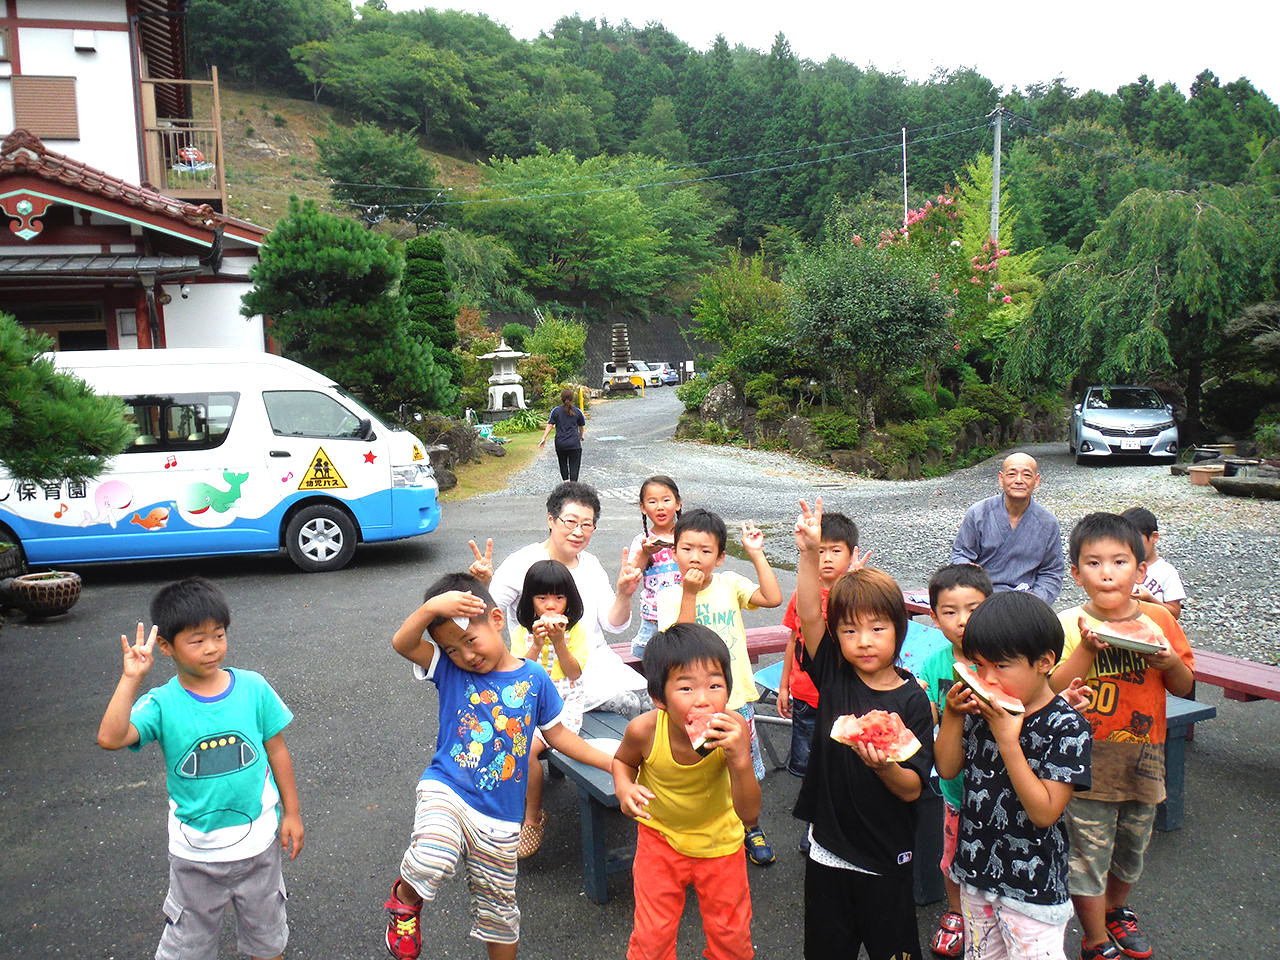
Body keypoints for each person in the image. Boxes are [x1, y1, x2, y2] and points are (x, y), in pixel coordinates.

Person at [382, 572, 613, 960]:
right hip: (448, 790)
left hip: (503, 817)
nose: (465, 656)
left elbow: (557, 735)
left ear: (496, 619)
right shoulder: (449, 670)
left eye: (469, 641)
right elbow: (402, 643)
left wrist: (612, 762)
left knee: (500, 914)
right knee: (432, 858)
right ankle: (404, 899)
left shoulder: (535, 677)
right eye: (452, 649)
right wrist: (430, 610)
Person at [96, 578, 303, 960]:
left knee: (268, 940)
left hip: (259, 846)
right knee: (188, 947)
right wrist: (131, 678)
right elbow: (110, 737)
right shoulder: (161, 703)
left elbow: (277, 750)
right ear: (166, 646)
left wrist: (292, 813)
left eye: (219, 635)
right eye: (197, 640)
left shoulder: (254, 688)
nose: (212, 648)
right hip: (195, 856)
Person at [792, 498, 935, 960]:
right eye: (850, 631)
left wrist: (882, 766)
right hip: (828, 847)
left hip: (886, 856)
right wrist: (809, 552)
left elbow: (913, 789)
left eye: (877, 628)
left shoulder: (913, 699)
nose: (864, 641)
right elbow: (810, 615)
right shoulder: (834, 673)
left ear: (899, 630)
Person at [1050, 512, 1195, 960]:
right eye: (1093, 562)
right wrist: (1086, 654)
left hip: (1145, 757)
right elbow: (1049, 689)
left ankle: (1117, 909)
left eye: (1119, 561)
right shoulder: (1066, 624)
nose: (1107, 572)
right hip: (1086, 760)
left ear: (1141, 570)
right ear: (1075, 573)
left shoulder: (1158, 622)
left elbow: (1185, 685)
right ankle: (1094, 940)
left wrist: (1169, 662)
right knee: (1087, 854)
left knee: (1133, 847)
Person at [934, 591, 1094, 960]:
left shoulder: (1067, 728)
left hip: (1032, 889)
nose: (987, 679)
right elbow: (947, 769)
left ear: (1044, 662)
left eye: (1001, 667)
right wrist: (953, 716)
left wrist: (1009, 742)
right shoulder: (979, 710)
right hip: (975, 874)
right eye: (978, 666)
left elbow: (1045, 812)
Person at [613, 623, 761, 960]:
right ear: (658, 698)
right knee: (652, 936)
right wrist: (624, 787)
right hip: (660, 841)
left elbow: (749, 814)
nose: (703, 700)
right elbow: (622, 762)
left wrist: (740, 759)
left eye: (714, 685)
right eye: (686, 688)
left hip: (721, 843)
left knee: (732, 937)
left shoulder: (734, 730)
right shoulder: (645, 730)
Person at [656, 508, 783, 867]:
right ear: (674, 551)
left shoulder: (730, 584)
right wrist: (690, 594)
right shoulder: (669, 596)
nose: (695, 557)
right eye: (687, 548)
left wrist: (757, 553)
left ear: (721, 556)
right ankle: (705, 827)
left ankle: (751, 827)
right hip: (693, 704)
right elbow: (680, 641)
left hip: (736, 698)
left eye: (706, 550)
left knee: (744, 767)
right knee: (701, 769)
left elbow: (773, 598)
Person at [477, 481, 648, 716]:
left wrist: (624, 595)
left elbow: (613, 625)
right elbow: (485, 616)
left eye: (587, 525)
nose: (578, 532)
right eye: (570, 522)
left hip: (600, 665)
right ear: (551, 520)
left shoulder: (591, 564)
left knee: (654, 702)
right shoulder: (521, 563)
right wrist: (482, 584)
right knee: (629, 705)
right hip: (554, 674)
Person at [916, 562, 994, 958]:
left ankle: (993, 914)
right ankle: (955, 912)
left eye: (974, 609)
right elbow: (925, 716)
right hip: (954, 786)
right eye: (950, 611)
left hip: (1000, 789)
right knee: (951, 857)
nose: (962, 621)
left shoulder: (1003, 660)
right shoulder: (934, 663)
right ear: (934, 617)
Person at [777, 510, 867, 778]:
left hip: (846, 694)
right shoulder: (802, 596)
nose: (827, 558)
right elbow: (794, 640)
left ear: (852, 554)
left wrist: (858, 583)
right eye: (820, 551)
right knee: (807, 763)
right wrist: (784, 687)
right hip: (805, 694)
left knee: (846, 760)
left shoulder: (857, 594)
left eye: (836, 551)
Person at [509, 559, 590, 858]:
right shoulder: (522, 632)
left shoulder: (576, 630)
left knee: (526, 747)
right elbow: (518, 670)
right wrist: (536, 642)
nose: (550, 605)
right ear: (530, 600)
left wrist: (559, 643)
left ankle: (533, 818)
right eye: (542, 598)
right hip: (530, 696)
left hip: (564, 699)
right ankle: (501, 806)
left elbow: (574, 672)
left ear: (569, 598)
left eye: (558, 597)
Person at [950, 452, 1065, 605]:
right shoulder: (978, 513)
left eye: (1026, 475)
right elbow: (960, 554)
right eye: (1012, 474)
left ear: (1036, 481)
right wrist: (969, 573)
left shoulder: (1048, 522)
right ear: (1001, 479)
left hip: (1024, 601)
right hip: (980, 597)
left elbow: (1052, 572)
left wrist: (1035, 601)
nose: (1019, 481)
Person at [628, 475, 684, 659]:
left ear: (678, 504)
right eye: (652, 502)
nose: (660, 506)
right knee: (649, 661)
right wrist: (645, 553)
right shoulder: (641, 541)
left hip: (686, 612)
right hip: (653, 616)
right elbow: (631, 576)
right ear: (643, 508)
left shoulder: (689, 536)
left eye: (666, 500)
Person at [1120, 507, 1186, 620]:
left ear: (1154, 537)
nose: (1131, 548)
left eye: (1137, 541)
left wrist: (1149, 600)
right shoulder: (1120, 567)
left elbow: (1175, 613)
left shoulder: (1167, 572)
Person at [539, 387, 586, 481]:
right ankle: (573, 487)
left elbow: (550, 425)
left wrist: (544, 438)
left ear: (561, 398)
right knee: (574, 466)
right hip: (574, 443)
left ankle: (566, 484)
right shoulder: (578, 411)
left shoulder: (556, 411)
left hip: (561, 443)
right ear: (572, 398)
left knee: (562, 463)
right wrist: (581, 436)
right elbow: (581, 426)